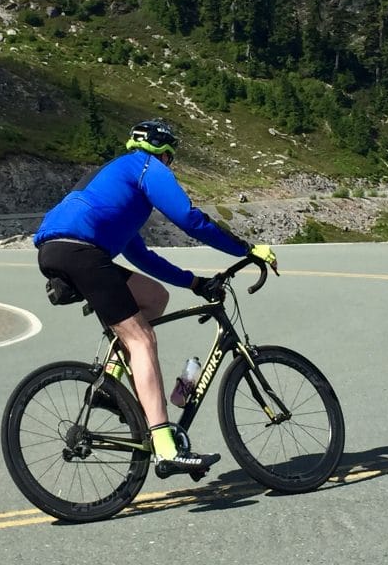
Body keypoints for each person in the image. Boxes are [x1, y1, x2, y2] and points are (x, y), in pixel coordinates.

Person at [34, 118, 278, 479]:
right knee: (143, 339)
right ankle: (166, 447)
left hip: (57, 250)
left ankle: (111, 384)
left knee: (154, 297)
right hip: (82, 252)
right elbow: (190, 219)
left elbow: (141, 257)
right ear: (165, 153)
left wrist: (194, 282)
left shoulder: (120, 181)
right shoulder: (147, 167)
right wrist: (246, 249)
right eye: (171, 158)